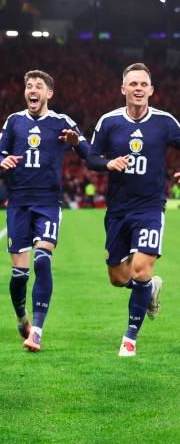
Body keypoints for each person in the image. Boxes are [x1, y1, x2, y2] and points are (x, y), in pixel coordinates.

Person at [86, 63, 180, 356]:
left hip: (151, 207)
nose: (138, 89)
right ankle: (149, 288)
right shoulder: (109, 121)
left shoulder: (165, 122)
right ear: (123, 89)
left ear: (151, 90)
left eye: (143, 84)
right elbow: (91, 156)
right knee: (118, 277)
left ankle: (129, 338)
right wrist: (107, 163)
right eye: (133, 84)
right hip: (118, 210)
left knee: (140, 270)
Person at [0, 70, 89, 351]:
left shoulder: (62, 122)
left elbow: (88, 151)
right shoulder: (14, 121)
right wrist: (3, 161)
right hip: (18, 203)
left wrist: (75, 144)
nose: (33, 90)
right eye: (29, 86)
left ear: (49, 94)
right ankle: (21, 316)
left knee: (43, 260)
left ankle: (36, 329)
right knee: (19, 274)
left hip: (48, 202)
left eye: (39, 86)